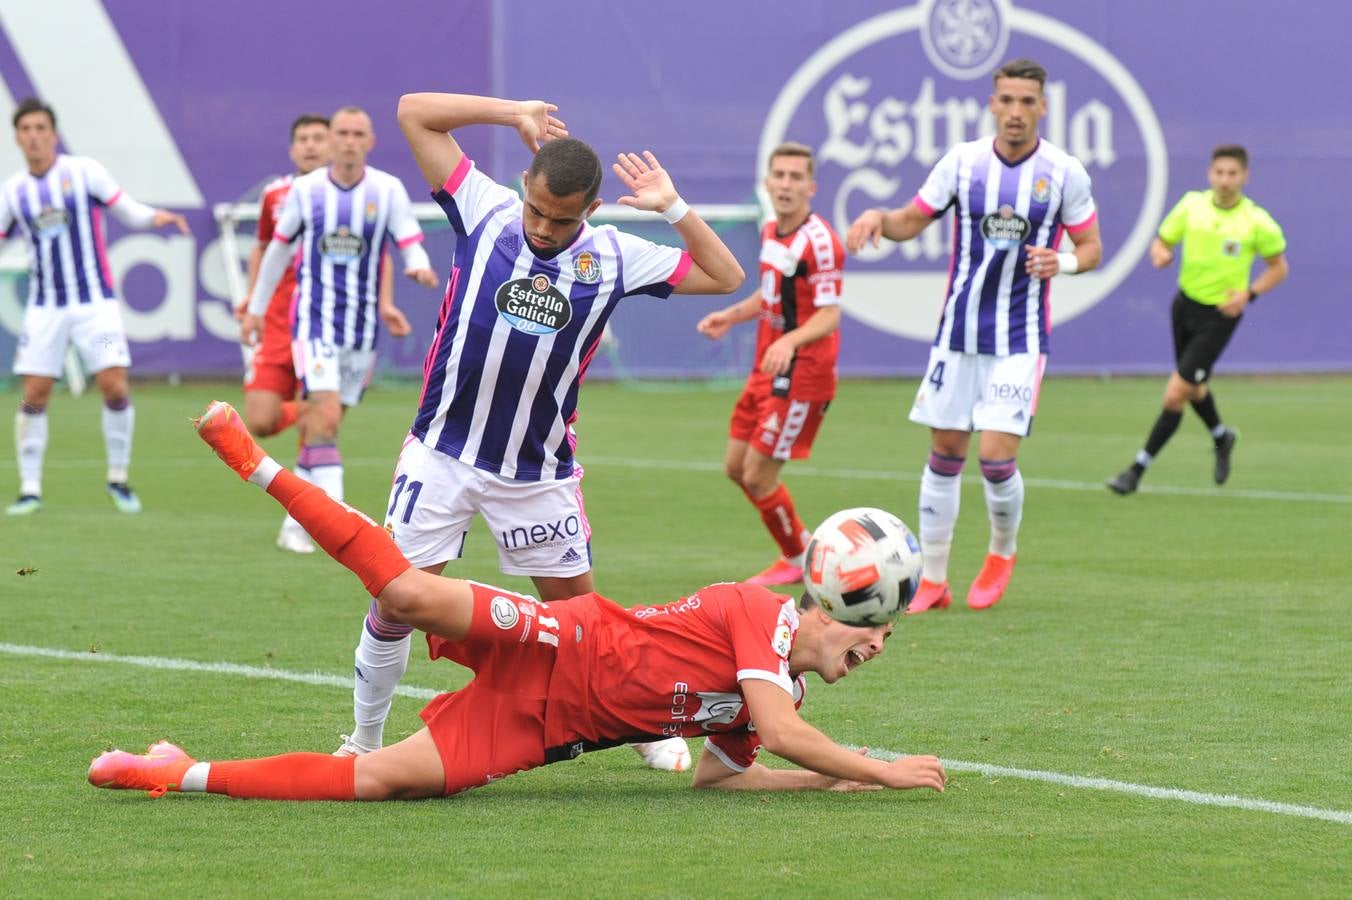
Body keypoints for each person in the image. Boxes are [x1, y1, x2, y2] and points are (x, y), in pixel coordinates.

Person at [86, 400, 948, 801]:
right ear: (833, 607)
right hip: (556, 641)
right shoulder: (762, 614)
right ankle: (259, 464)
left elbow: (726, 776)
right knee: (402, 592)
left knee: (383, 783)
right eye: (874, 634)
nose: (874, 651)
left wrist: (825, 786)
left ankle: (173, 771)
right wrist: (880, 769)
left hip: (546, 732)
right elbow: (789, 735)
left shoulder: (777, 695)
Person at [332, 91, 746, 773]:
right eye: (537, 210)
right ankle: (364, 742)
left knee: (585, 625)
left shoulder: (614, 256)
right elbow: (413, 111)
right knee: (394, 600)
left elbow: (724, 275)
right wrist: (513, 112)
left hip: (537, 473)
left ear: (589, 209)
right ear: (524, 186)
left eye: (562, 218)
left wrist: (673, 207)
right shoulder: (484, 207)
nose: (545, 228)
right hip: (442, 454)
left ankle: (638, 722)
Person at [846, 59, 1102, 613]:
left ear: (1043, 106)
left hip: (1020, 338)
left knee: (994, 456)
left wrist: (1061, 260)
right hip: (957, 334)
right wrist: (878, 219)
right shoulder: (963, 163)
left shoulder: (1063, 172)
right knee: (944, 451)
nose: (1015, 112)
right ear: (992, 103)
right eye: (1006, 100)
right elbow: (912, 220)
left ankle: (1000, 553)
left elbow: (1092, 250)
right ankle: (933, 581)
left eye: (1026, 102)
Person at [242, 106, 435, 544]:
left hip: (361, 330)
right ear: (331, 141)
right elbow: (276, 253)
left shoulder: (387, 190)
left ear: (370, 142)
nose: (349, 140)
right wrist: (255, 308)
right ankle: (339, 532)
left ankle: (296, 524)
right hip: (313, 323)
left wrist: (419, 266)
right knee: (323, 415)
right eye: (342, 133)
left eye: (358, 134)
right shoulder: (306, 191)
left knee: (321, 425)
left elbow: (408, 239)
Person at [1, 98, 189, 516]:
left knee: (114, 385)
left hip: (94, 307)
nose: (33, 136)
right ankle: (30, 488)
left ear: (53, 133)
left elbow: (127, 209)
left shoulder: (83, 173)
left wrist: (157, 217)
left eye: (40, 128)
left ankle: (118, 479)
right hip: (45, 309)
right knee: (34, 393)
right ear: (17, 137)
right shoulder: (14, 191)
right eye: (25, 129)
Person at [696, 142, 844, 586]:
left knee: (758, 475)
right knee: (735, 468)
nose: (785, 184)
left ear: (811, 187)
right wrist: (733, 314)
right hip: (767, 368)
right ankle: (800, 549)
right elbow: (771, 292)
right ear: (767, 183)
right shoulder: (771, 231)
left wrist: (792, 342)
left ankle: (801, 557)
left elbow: (830, 312)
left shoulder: (821, 243)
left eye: (795, 177)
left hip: (802, 374)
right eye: (779, 175)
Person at [1106, 145, 1288, 495]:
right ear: (1210, 174)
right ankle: (1223, 436)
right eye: (1219, 172)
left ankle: (1136, 470)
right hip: (1184, 307)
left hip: (1220, 316)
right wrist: (1160, 254)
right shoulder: (1192, 205)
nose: (1225, 180)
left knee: (1176, 393)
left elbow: (1279, 268)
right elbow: (1162, 241)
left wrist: (1248, 295)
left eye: (1232, 173)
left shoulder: (1256, 222)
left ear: (1244, 177)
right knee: (1193, 386)